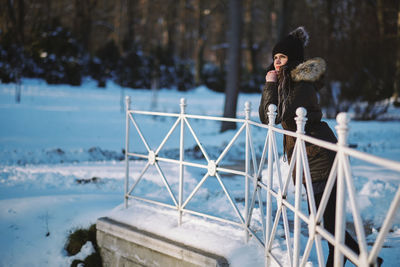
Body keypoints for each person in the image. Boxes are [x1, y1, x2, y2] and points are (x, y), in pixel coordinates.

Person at [258, 26, 383, 267]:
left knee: (326, 220)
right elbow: (269, 116)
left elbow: (274, 115)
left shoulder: (301, 85)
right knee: (328, 220)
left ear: (292, 60)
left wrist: (270, 85)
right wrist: (273, 84)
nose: (276, 62)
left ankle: (365, 261)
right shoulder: (287, 83)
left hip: (319, 156)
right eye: (274, 57)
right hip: (309, 157)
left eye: (281, 57)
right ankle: (356, 260)